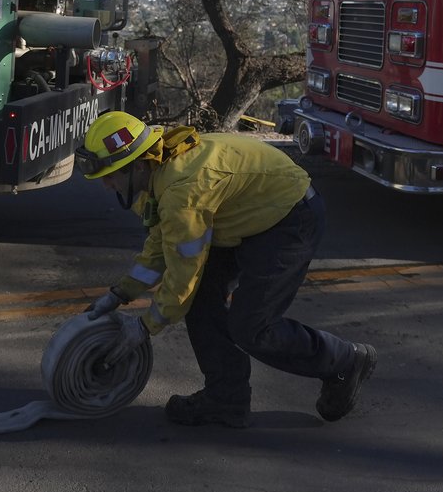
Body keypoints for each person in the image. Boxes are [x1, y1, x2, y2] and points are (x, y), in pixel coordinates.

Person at [74, 110, 376, 428]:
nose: (106, 185)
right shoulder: (159, 169)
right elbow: (162, 245)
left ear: (137, 164)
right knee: (202, 299)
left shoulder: (182, 191)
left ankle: (344, 360)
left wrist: (145, 327)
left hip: (289, 217)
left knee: (252, 327)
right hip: (244, 215)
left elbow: (182, 277)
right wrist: (120, 293)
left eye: (111, 175)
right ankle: (226, 398)